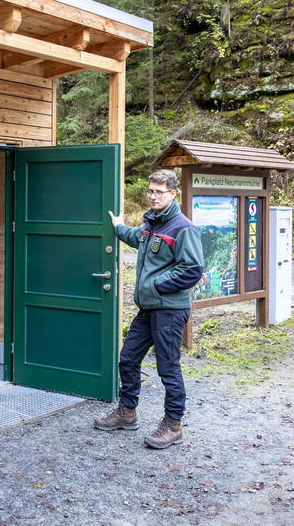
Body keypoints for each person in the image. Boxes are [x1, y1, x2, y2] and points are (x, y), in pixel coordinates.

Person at [94, 170, 204, 449]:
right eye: (151, 191)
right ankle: (127, 413)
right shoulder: (151, 224)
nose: (154, 196)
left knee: (168, 369)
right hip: (149, 309)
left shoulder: (182, 228)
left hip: (169, 310)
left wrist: (156, 286)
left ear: (173, 194)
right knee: (128, 358)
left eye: (160, 192)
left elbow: (192, 270)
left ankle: (173, 425)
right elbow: (137, 239)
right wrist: (118, 226)